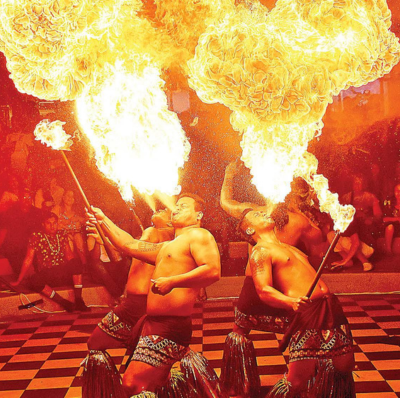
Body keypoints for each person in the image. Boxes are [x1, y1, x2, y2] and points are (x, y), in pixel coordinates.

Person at [86, 193, 221, 397]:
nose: (177, 208)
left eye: (184, 206)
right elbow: (129, 245)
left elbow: (212, 270)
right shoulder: (167, 247)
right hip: (153, 323)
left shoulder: (199, 235)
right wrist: (103, 219)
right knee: (148, 382)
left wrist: (172, 282)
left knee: (132, 383)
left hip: (170, 326)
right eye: (177, 205)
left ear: (198, 215)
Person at [219, 160, 323, 396]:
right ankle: (239, 383)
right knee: (240, 331)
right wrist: (229, 174)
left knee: (296, 334)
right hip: (260, 287)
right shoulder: (255, 215)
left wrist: (229, 175)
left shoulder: (296, 220)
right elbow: (319, 247)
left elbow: (318, 247)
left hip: (286, 289)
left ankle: (299, 381)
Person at [237, 209, 355, 398]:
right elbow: (263, 289)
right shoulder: (261, 251)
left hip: (329, 307)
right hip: (308, 312)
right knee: (297, 381)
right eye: (257, 215)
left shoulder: (288, 247)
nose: (264, 213)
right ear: (250, 230)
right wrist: (290, 302)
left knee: (344, 366)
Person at [82, 208, 174, 398]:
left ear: (171, 221)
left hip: (140, 306)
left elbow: (129, 246)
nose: (161, 208)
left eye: (166, 209)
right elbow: (127, 252)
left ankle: (114, 393)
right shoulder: (154, 235)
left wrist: (104, 223)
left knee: (95, 343)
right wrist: (105, 239)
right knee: (135, 360)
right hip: (134, 304)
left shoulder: (160, 235)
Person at [10, 212, 89, 312]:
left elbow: (69, 255)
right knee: (34, 280)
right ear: (43, 224)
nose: (52, 226)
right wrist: (19, 280)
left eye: (54, 223)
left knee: (76, 262)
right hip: (47, 275)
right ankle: (64, 303)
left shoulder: (62, 234)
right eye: (49, 223)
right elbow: (28, 259)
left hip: (62, 272)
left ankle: (79, 301)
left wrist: (78, 270)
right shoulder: (36, 236)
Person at [336, 174, 383, 271]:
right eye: (355, 183)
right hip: (353, 230)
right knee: (333, 235)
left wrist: (368, 219)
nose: (356, 185)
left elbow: (378, 216)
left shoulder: (370, 197)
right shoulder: (347, 197)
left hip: (366, 235)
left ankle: (364, 261)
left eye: (359, 183)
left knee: (353, 241)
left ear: (364, 184)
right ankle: (347, 260)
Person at [0, 188, 42, 275]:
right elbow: (4, 229)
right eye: (24, 197)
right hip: (15, 247)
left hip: (32, 245)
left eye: (29, 198)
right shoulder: (11, 211)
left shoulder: (36, 212)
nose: (27, 200)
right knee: (18, 264)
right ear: (20, 199)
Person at [52, 190, 87, 267]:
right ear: (63, 197)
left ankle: (85, 266)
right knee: (68, 241)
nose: (70, 198)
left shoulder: (76, 212)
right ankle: (71, 267)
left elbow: (85, 221)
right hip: (62, 235)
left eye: (72, 196)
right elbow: (50, 220)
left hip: (76, 236)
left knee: (78, 238)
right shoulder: (58, 208)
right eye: (68, 195)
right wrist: (62, 223)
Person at [383, 183, 400, 255]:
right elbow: (384, 219)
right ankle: (388, 250)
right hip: (394, 228)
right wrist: (397, 219)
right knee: (389, 227)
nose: (399, 193)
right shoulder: (389, 203)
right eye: (397, 190)